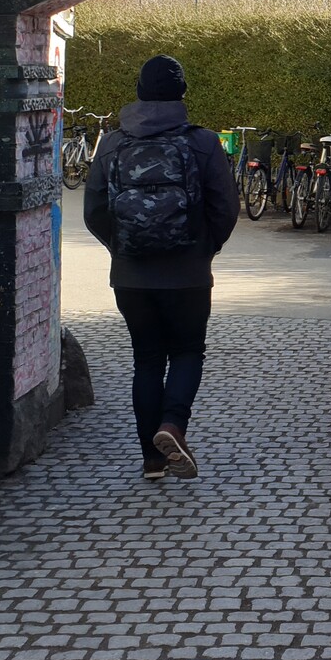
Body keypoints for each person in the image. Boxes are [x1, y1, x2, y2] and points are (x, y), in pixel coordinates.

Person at [83, 55, 239, 480]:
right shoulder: (203, 143)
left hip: (131, 276)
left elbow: (94, 210)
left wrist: (123, 248)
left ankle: (152, 461)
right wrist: (204, 249)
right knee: (188, 351)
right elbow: (225, 209)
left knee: (147, 359)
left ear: (138, 91)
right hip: (188, 274)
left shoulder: (112, 145)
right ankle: (173, 426)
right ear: (182, 94)